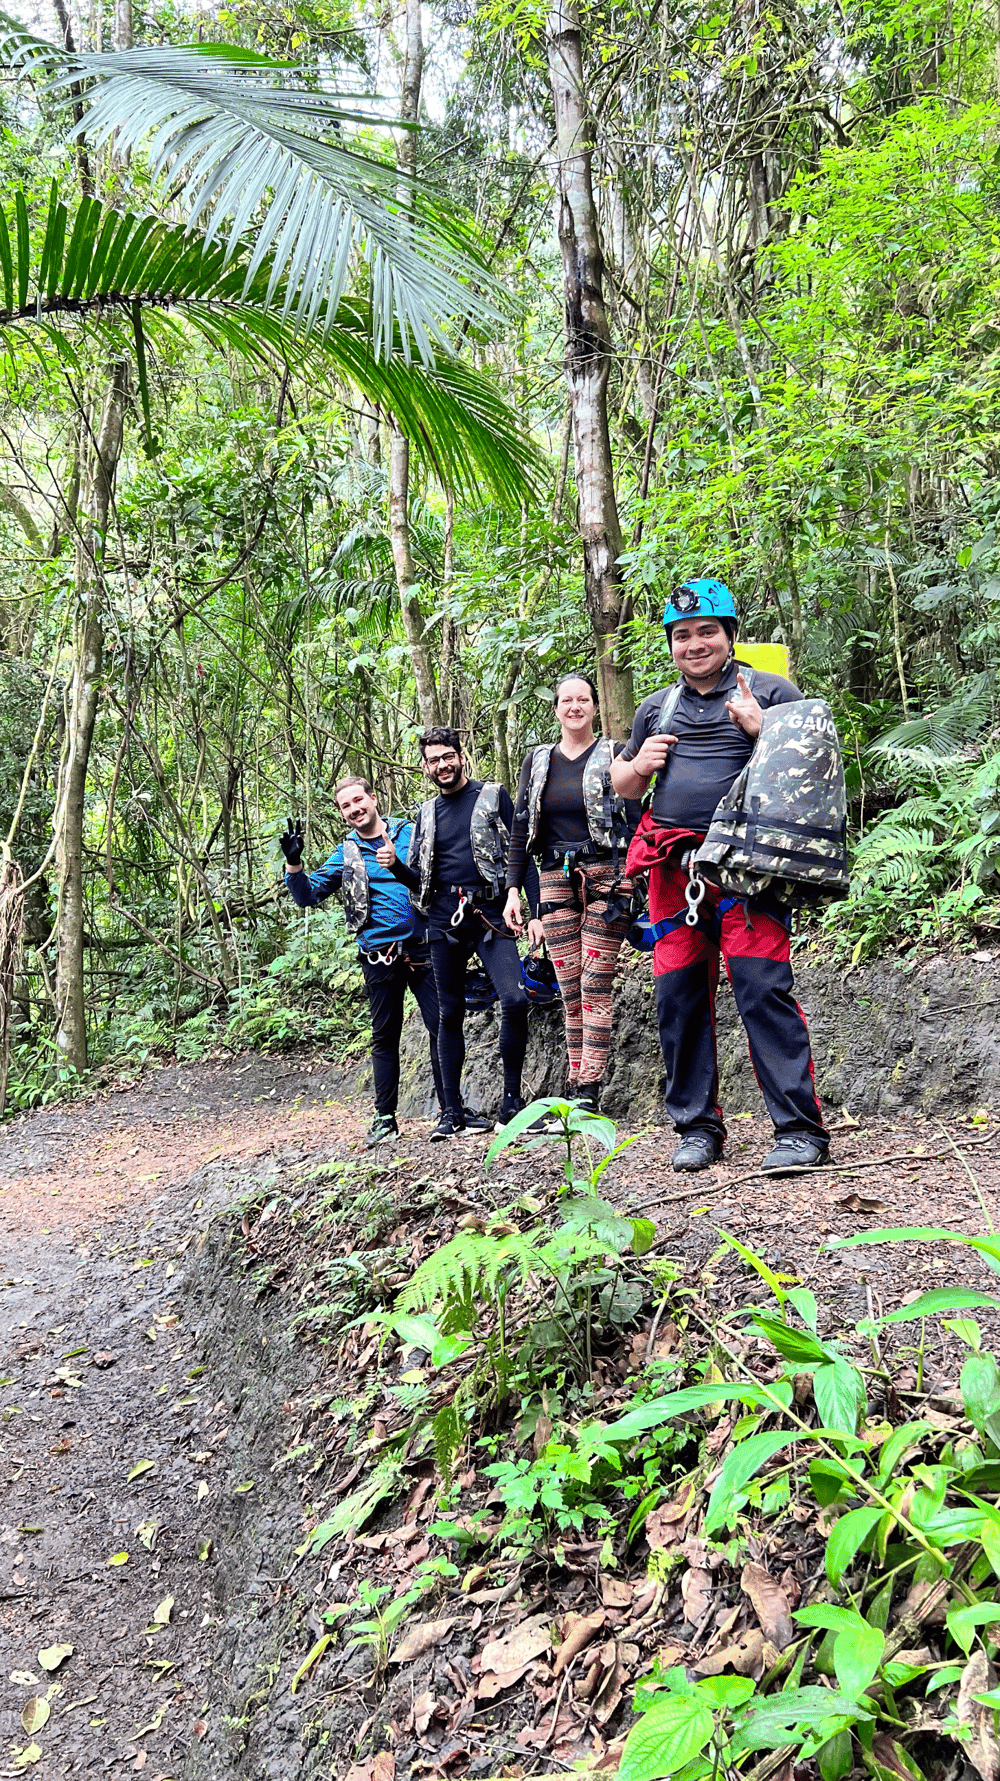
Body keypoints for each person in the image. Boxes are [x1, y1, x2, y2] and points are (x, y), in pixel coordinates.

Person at [610, 578, 829, 1175]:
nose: (695, 644)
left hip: (745, 874)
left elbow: (811, 775)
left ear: (731, 635)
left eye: (707, 631)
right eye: (682, 635)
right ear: (671, 645)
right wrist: (638, 765)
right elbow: (625, 788)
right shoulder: (657, 707)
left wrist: (766, 731)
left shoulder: (771, 690)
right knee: (678, 998)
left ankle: (799, 1130)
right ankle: (698, 1128)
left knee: (761, 989)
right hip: (672, 874)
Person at [380, 727, 540, 1141]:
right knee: (448, 1014)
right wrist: (394, 865)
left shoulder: (492, 795)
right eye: (434, 760)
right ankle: (450, 1112)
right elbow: (417, 879)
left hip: (491, 912)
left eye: (448, 756)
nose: (442, 765)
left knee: (515, 998)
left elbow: (521, 853)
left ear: (461, 755)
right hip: (443, 918)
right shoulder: (426, 812)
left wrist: (534, 909)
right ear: (425, 766)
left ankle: (511, 1105)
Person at [279, 776, 445, 1148]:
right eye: (346, 806)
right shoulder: (347, 852)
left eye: (359, 800)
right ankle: (385, 1118)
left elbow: (436, 872)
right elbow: (308, 896)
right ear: (342, 814)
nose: (355, 809)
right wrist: (294, 864)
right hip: (379, 954)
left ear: (373, 799)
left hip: (423, 949)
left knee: (442, 1027)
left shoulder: (409, 832)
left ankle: (451, 1110)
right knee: (385, 1037)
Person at [503, 672, 633, 1113]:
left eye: (583, 699)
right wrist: (514, 891)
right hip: (554, 877)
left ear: (594, 706)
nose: (575, 707)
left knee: (595, 981)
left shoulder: (616, 753)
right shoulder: (538, 761)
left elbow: (634, 817)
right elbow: (521, 825)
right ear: (556, 708)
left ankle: (588, 1090)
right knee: (568, 986)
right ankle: (577, 1083)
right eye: (566, 701)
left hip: (607, 876)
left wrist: (638, 877)